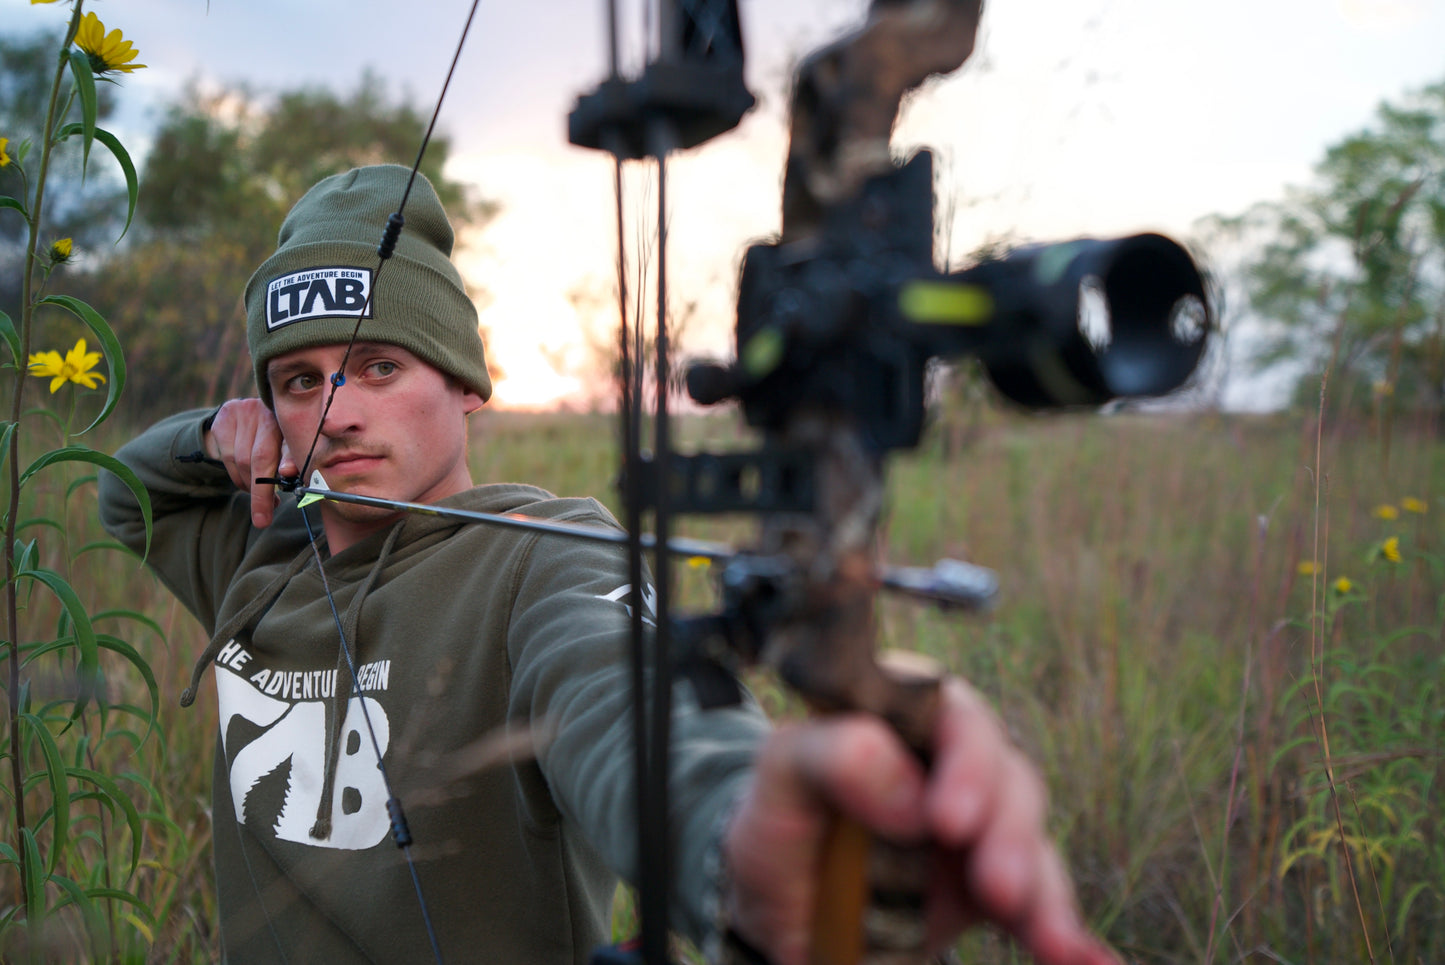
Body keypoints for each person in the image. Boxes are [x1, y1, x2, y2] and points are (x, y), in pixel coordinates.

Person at [100, 164, 1117, 965]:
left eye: (377, 366)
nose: (338, 411)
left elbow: (619, 698)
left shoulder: (540, 560)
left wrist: (738, 841)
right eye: (298, 380)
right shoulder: (256, 544)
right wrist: (214, 436)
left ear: (463, 385)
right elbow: (121, 491)